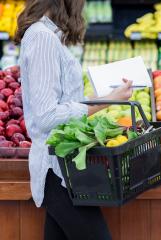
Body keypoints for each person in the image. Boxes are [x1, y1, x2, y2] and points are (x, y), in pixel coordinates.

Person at [14, 0, 133, 239]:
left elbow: (61, 102)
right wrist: (105, 102)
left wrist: (104, 97)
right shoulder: (42, 38)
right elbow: (47, 115)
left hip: (66, 168)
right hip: (57, 171)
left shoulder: (47, 35)